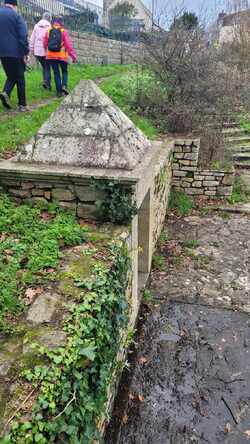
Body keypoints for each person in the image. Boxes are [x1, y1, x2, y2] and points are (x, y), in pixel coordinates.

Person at [0, 0, 29, 112]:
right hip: (15, 52)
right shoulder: (17, 16)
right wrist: (25, 53)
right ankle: (22, 105)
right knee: (20, 78)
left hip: (2, 53)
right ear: (14, 5)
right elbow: (23, 36)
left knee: (12, 76)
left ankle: (5, 93)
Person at [44, 16, 77, 97]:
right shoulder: (63, 31)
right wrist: (73, 56)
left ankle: (59, 92)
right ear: (61, 23)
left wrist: (47, 51)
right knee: (64, 71)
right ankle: (64, 86)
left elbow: (45, 43)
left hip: (51, 56)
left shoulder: (48, 31)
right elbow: (68, 45)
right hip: (62, 55)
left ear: (54, 23)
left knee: (56, 73)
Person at [30, 12, 52, 90]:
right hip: (46, 50)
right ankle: (47, 84)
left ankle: (45, 81)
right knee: (47, 67)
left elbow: (32, 38)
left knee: (44, 66)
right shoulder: (49, 26)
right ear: (49, 18)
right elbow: (50, 39)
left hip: (37, 51)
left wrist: (32, 49)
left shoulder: (36, 26)